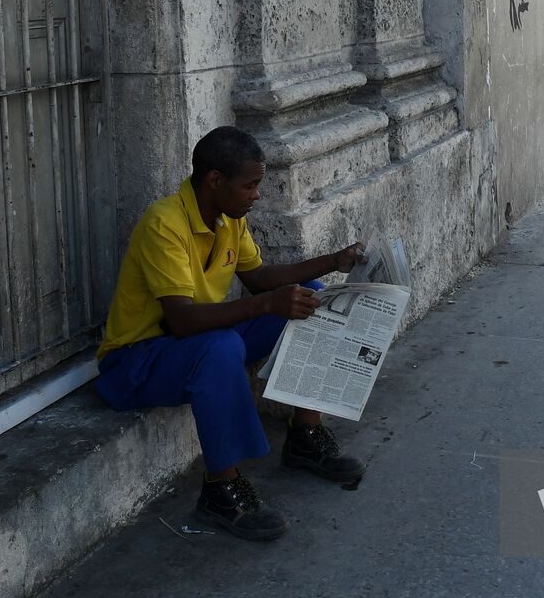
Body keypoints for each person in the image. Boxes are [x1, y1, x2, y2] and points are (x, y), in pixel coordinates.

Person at [95, 126, 371, 540]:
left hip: (193, 344)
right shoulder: (164, 223)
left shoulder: (228, 219)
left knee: (313, 299)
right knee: (221, 346)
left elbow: (259, 278)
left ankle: (305, 436)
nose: (256, 195)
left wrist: (333, 262)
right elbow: (182, 322)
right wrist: (265, 304)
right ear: (214, 181)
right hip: (136, 361)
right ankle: (221, 489)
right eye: (251, 185)